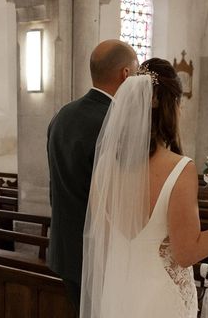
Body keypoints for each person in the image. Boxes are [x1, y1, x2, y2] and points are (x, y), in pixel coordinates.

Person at [80, 58, 208, 318]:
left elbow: (105, 242)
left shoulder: (105, 166)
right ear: (171, 106)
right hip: (160, 298)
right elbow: (187, 253)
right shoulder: (180, 168)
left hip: (119, 293)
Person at [47, 39, 139, 312]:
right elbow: (123, 195)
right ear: (125, 73)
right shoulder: (114, 122)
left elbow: (56, 183)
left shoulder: (62, 115)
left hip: (65, 249)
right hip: (102, 253)